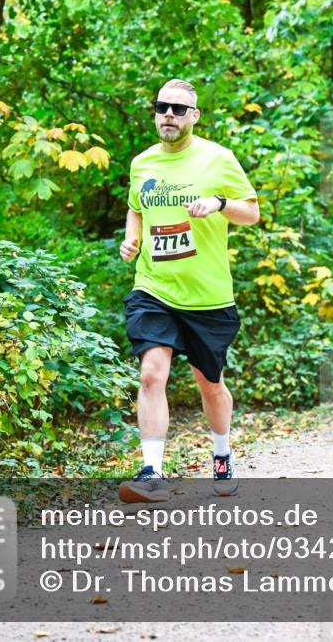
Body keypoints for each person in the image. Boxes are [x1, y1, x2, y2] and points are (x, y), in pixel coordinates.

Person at [117, 79, 259, 502]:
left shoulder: (218, 158)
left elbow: (251, 212)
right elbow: (135, 207)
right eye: (162, 107)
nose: (169, 115)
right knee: (151, 374)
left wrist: (218, 204)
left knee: (209, 382)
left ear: (194, 116)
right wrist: (132, 239)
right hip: (154, 287)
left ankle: (222, 455)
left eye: (179, 109)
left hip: (208, 296)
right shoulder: (142, 163)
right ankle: (152, 472)